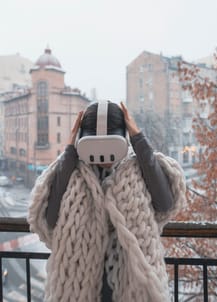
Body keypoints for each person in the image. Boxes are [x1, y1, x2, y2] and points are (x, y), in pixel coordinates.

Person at [28, 101, 186, 302]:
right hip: (79, 284)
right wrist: (70, 151)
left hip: (131, 282)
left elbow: (165, 203)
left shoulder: (137, 172)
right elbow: (49, 219)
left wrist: (138, 139)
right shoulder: (73, 175)